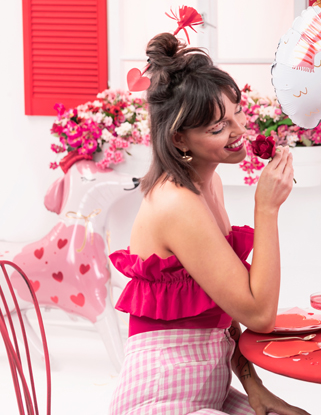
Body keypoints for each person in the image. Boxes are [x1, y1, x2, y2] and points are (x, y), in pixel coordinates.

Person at [109, 33, 309, 415]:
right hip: (161, 397)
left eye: (237, 112)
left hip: (207, 389)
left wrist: (254, 386)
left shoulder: (208, 182)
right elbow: (259, 315)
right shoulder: (176, 203)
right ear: (179, 138)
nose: (238, 132)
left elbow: (229, 309)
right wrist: (266, 210)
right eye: (218, 128)